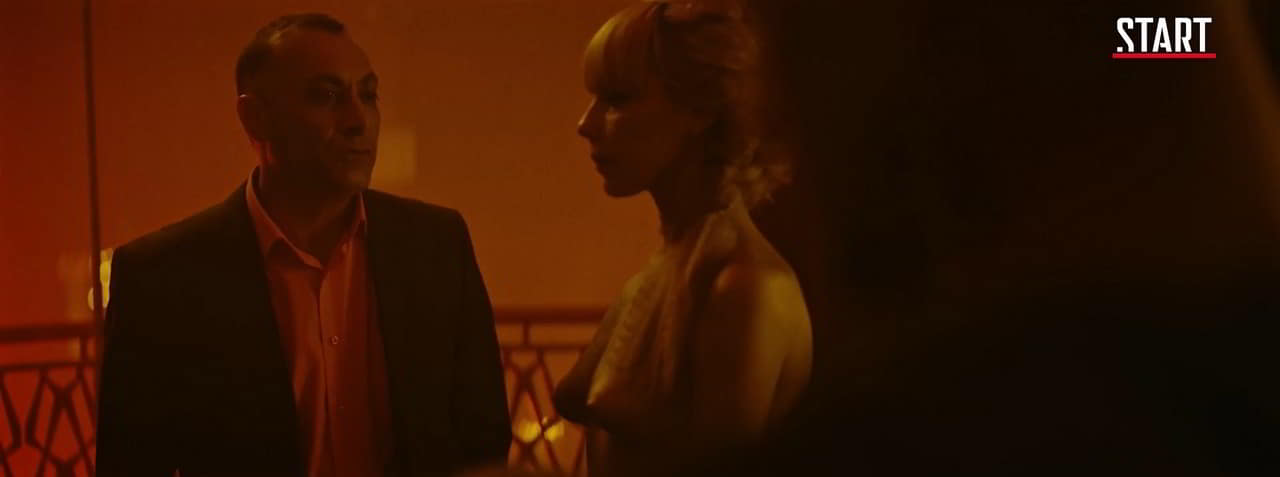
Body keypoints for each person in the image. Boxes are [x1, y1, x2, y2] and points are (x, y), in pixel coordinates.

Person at [95, 13, 511, 476]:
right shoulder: (163, 278)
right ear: (255, 117)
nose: (358, 120)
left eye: (368, 95)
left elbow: (483, 441)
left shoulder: (435, 247)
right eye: (326, 96)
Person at [551, 2, 812, 476]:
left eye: (617, 99)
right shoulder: (664, 271)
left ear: (700, 108)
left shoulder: (745, 290)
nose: (586, 124)